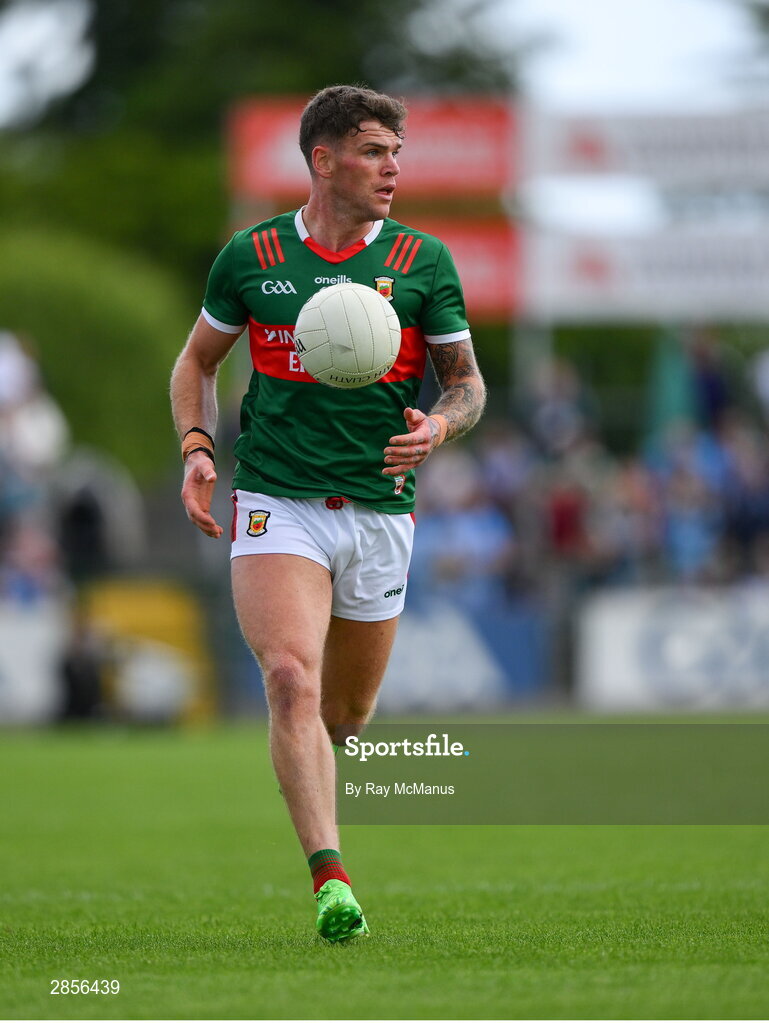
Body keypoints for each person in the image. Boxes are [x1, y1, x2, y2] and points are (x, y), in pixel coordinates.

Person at [170, 84, 486, 942]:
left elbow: (465, 385)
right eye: (376, 151)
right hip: (278, 498)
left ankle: (317, 765)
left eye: (396, 153)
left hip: (381, 509)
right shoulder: (253, 254)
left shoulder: (423, 262)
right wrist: (200, 450)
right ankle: (331, 880)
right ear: (323, 158)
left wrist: (437, 426)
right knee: (288, 680)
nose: (393, 168)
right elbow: (195, 363)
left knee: (341, 716)